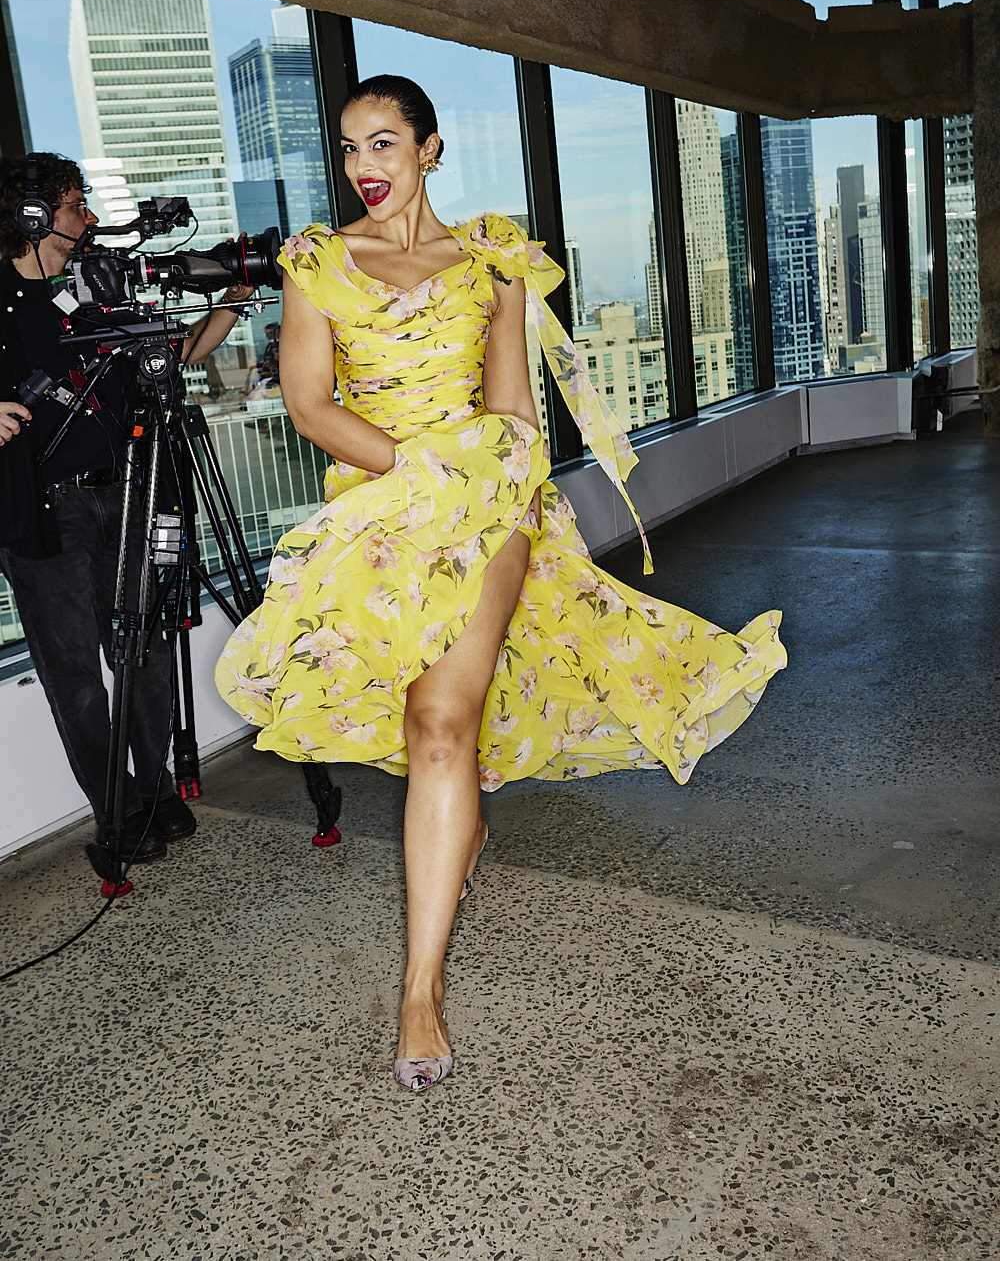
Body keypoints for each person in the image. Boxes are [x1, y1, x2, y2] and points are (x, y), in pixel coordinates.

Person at [216, 75, 787, 1091]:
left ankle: (419, 990)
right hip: (382, 508)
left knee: (441, 722)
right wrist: (416, 473)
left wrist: (499, 491)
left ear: (430, 151)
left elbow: (515, 410)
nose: (366, 169)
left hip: (489, 506)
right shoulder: (316, 264)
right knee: (439, 732)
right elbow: (308, 405)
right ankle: (460, 831)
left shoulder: (495, 258)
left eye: (385, 145)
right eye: (350, 149)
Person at [0, 153, 253, 865]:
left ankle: (161, 791)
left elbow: (178, 354)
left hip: (134, 491)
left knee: (146, 649)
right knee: (76, 673)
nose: (89, 218)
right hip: (49, 514)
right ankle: (120, 813)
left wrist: (231, 298)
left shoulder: (99, 288)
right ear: (31, 217)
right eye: (76, 204)